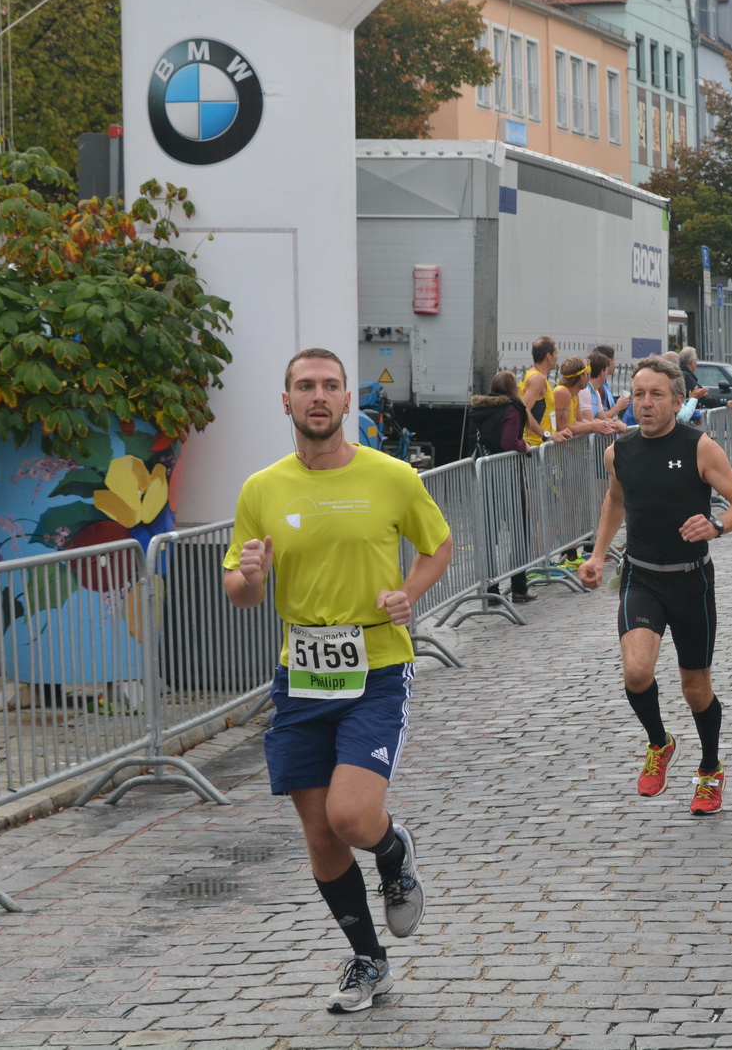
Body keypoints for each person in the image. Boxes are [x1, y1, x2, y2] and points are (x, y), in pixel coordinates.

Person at [224, 347, 455, 1013]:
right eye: (304, 386)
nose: (317, 396)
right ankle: (369, 961)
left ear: (348, 399)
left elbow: (437, 543)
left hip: (377, 667)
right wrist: (252, 576)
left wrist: (410, 591)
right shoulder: (261, 488)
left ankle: (391, 846)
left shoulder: (391, 477)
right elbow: (238, 591)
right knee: (321, 835)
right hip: (301, 677)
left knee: (350, 814)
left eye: (329, 385)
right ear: (287, 401)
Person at [578, 357, 732, 814]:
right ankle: (659, 743)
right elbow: (616, 500)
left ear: (678, 401)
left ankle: (710, 770)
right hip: (640, 576)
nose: (645, 403)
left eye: (656, 395)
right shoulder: (618, 451)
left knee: (696, 688)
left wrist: (716, 525)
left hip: (690, 580)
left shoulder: (700, 447)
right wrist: (598, 555)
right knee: (637, 673)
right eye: (638, 394)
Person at [469, 371, 538, 606]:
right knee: (519, 531)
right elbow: (508, 442)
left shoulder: (481, 409)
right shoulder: (511, 409)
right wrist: (524, 445)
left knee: (491, 534)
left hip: (487, 475)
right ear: (512, 388)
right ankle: (519, 587)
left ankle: (492, 590)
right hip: (507, 476)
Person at [519, 337, 571, 447]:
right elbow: (523, 409)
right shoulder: (537, 379)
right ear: (549, 356)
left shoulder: (536, 376)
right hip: (535, 445)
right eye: (556, 353)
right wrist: (545, 435)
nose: (558, 357)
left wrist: (554, 434)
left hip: (539, 445)